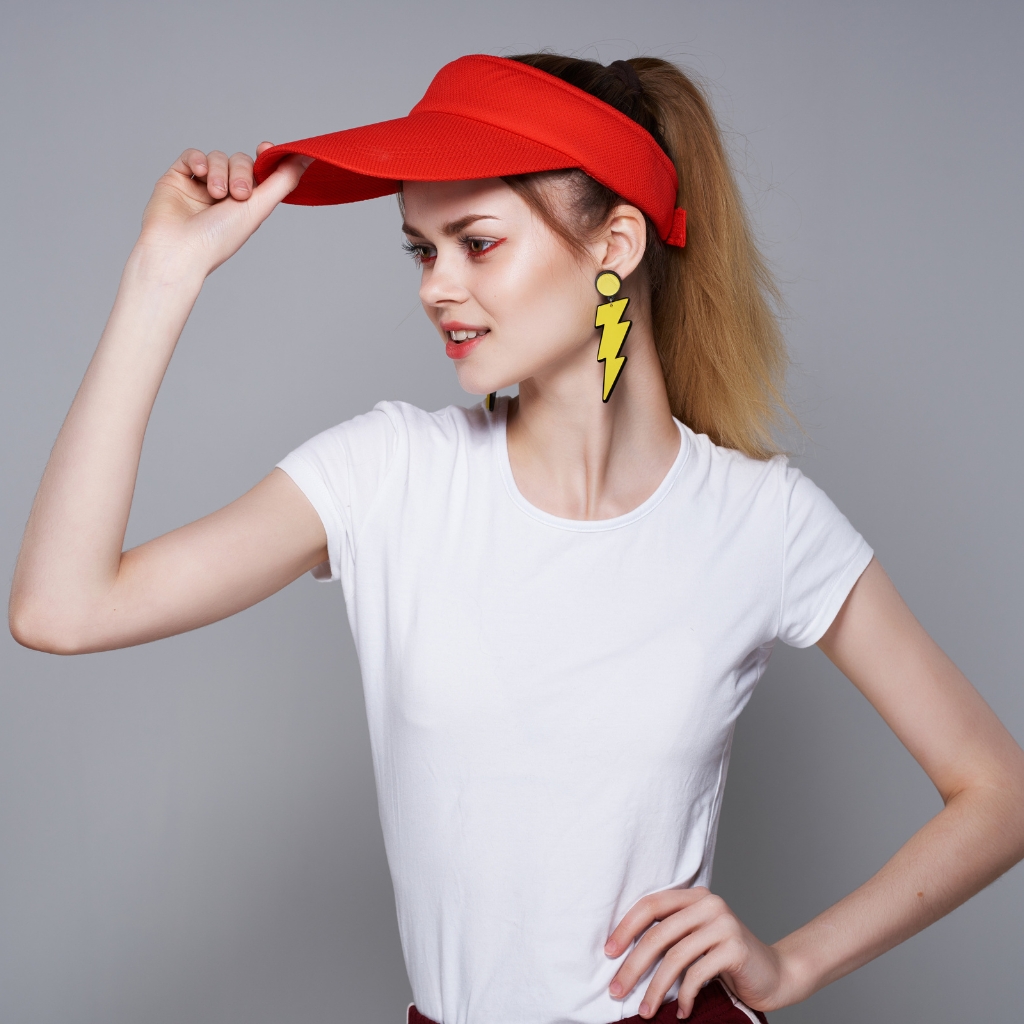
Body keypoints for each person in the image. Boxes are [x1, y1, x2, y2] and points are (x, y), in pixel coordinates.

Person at [9, 51, 1024, 1024]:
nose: (434, 286)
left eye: (477, 242)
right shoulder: (390, 476)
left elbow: (999, 795)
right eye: (422, 249)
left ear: (615, 247)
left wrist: (790, 964)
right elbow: (62, 609)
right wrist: (163, 275)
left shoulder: (761, 521)